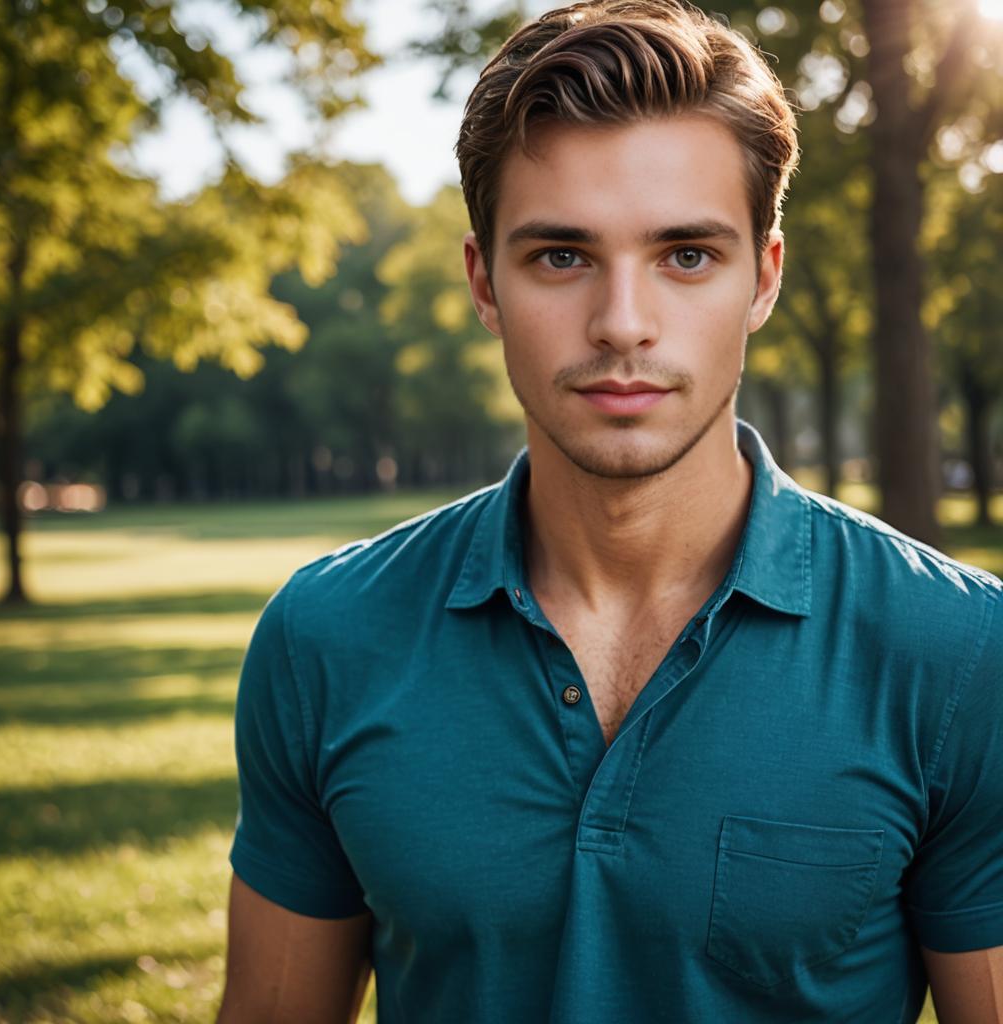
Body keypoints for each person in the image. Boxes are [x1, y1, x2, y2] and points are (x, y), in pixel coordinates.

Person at [216, 2, 1003, 1021]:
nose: (622, 324)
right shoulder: (327, 636)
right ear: (483, 282)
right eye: (559, 256)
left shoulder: (957, 653)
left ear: (762, 277)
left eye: (685, 255)